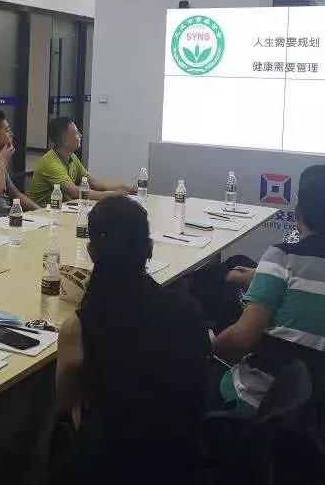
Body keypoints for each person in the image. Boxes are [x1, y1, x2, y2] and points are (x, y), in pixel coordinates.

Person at [52, 196, 209, 480]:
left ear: (91, 252)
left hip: (109, 465)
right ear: (149, 248)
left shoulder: (79, 326)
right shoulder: (189, 310)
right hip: (178, 460)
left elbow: (63, 403)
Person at [212, 165, 325, 422]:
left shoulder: (282, 258)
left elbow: (241, 339)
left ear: (298, 214)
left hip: (253, 407)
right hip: (316, 422)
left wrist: (209, 345)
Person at [28, 116, 135, 207]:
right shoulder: (50, 162)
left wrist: (128, 188)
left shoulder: (72, 157)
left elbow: (94, 183)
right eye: (76, 133)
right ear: (64, 141)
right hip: (43, 213)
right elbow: (74, 192)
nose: (80, 135)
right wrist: (111, 196)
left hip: (63, 209)